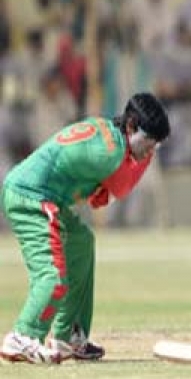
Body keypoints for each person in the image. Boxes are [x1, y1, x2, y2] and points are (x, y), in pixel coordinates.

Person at [0, 92, 171, 364]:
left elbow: (102, 193)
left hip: (44, 195)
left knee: (80, 243)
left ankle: (68, 336)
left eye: (156, 146)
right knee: (52, 276)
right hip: (30, 196)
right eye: (149, 142)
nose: (150, 151)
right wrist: (131, 169)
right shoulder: (110, 154)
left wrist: (108, 184)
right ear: (130, 126)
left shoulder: (111, 134)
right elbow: (117, 190)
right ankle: (23, 335)